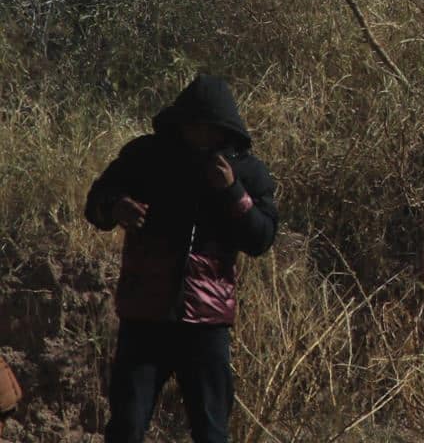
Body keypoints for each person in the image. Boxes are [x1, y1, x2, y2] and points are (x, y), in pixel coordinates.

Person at [83, 74, 279, 443]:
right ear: (181, 122)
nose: (200, 135)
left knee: (211, 433)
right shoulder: (145, 156)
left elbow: (261, 239)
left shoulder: (246, 170)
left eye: (208, 128)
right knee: (126, 427)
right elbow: (96, 203)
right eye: (193, 126)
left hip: (207, 323)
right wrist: (116, 206)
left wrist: (232, 191)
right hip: (145, 317)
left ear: (223, 130)